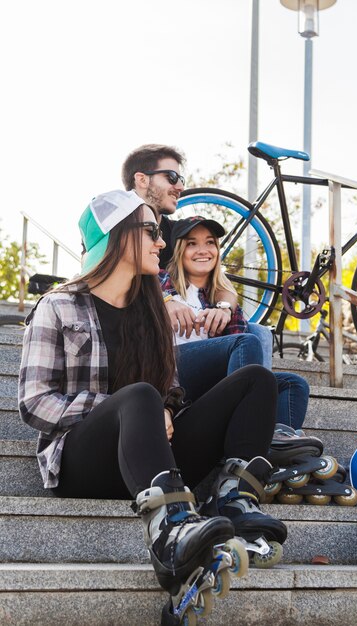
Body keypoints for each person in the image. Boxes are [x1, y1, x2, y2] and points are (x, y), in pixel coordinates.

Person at [18, 191, 287, 615]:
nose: (161, 242)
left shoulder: (154, 314)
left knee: (256, 379)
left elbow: (173, 390)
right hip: (83, 464)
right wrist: (130, 406)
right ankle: (171, 533)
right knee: (141, 395)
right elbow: (35, 402)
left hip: (153, 460)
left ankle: (234, 501)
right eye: (151, 232)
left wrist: (165, 408)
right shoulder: (58, 305)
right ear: (117, 237)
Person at [160, 215, 310, 430]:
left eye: (210, 242)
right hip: (174, 371)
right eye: (192, 244)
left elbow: (240, 358)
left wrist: (225, 308)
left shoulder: (223, 299)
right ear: (179, 250)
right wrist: (166, 300)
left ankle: (276, 445)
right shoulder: (162, 281)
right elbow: (141, 286)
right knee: (246, 341)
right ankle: (246, 431)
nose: (203, 250)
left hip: (213, 384)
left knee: (294, 384)